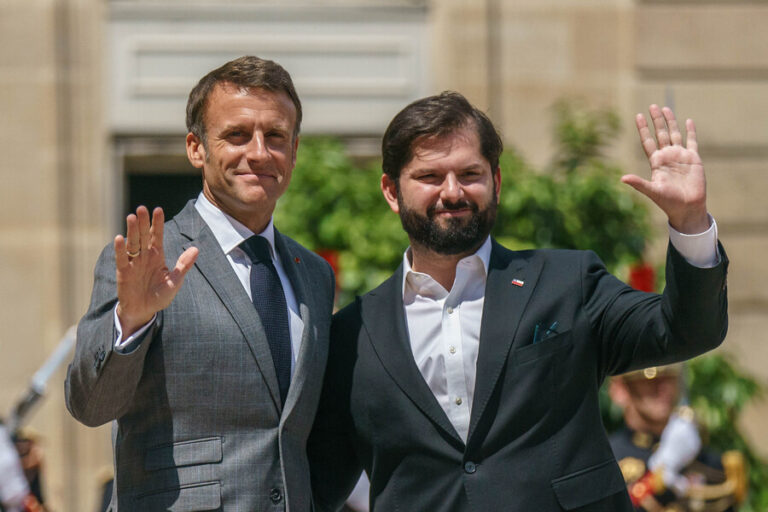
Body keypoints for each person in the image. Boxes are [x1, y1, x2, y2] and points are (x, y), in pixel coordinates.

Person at [308, 92, 728, 511]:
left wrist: (689, 221)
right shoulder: (352, 333)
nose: (452, 192)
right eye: (430, 177)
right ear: (391, 191)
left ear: (497, 182)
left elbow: (686, 330)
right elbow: (314, 486)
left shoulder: (567, 283)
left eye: (470, 173)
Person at [65, 56, 336, 511]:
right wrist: (131, 321)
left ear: (294, 150)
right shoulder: (146, 258)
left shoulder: (312, 273)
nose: (258, 152)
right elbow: (90, 406)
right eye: (236, 135)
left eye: (275, 136)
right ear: (196, 148)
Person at [609, 365, 735, 511]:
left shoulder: (707, 463)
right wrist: (654, 478)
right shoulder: (608, 460)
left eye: (670, 378)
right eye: (650, 379)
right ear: (620, 389)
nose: (663, 387)